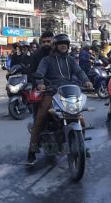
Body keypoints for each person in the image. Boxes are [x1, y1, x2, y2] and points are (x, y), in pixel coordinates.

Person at [27, 34, 92, 165]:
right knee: (41, 117)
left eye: (66, 44)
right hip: (51, 92)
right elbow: (40, 73)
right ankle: (32, 151)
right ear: (55, 46)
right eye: (60, 43)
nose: (63, 45)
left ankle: (81, 147)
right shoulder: (46, 60)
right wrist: (40, 83)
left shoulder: (71, 60)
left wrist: (86, 81)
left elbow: (79, 72)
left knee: (81, 120)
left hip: (68, 93)